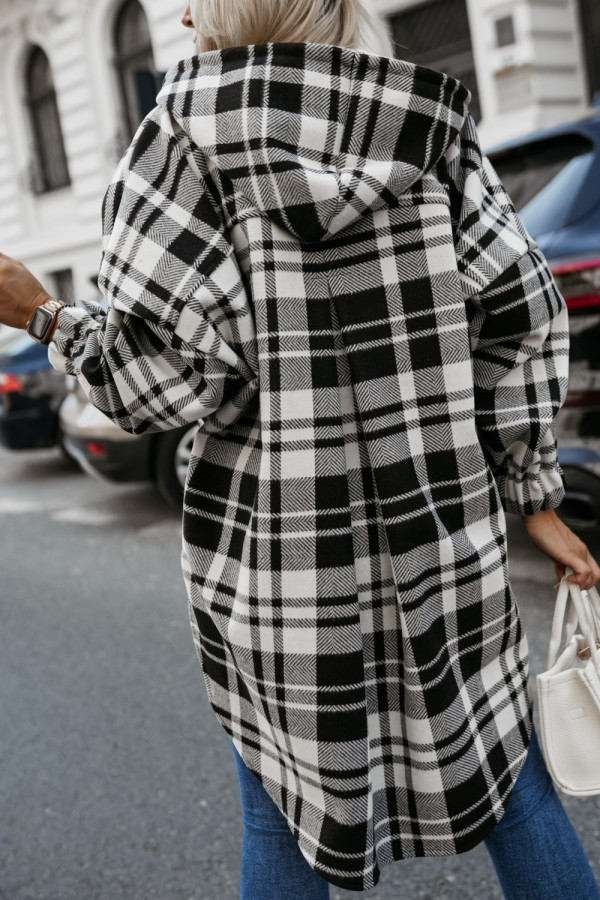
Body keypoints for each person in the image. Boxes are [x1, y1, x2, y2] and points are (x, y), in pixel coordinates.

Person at [0, 1, 599, 897]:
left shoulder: (181, 142)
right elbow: (521, 315)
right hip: (446, 547)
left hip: (279, 574)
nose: (183, 14)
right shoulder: (429, 129)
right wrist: (533, 491)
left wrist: (45, 315)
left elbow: (160, 384)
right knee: (512, 784)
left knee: (280, 811)